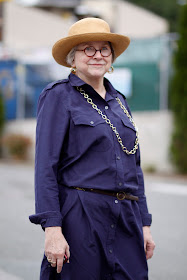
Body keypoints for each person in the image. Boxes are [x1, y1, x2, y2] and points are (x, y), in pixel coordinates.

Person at [29, 17, 155, 280]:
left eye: (104, 49)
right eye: (88, 48)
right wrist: (52, 228)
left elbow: (135, 168)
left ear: (111, 58)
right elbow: (45, 168)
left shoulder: (120, 102)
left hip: (126, 218)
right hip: (82, 215)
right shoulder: (58, 96)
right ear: (73, 59)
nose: (97, 55)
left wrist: (144, 223)